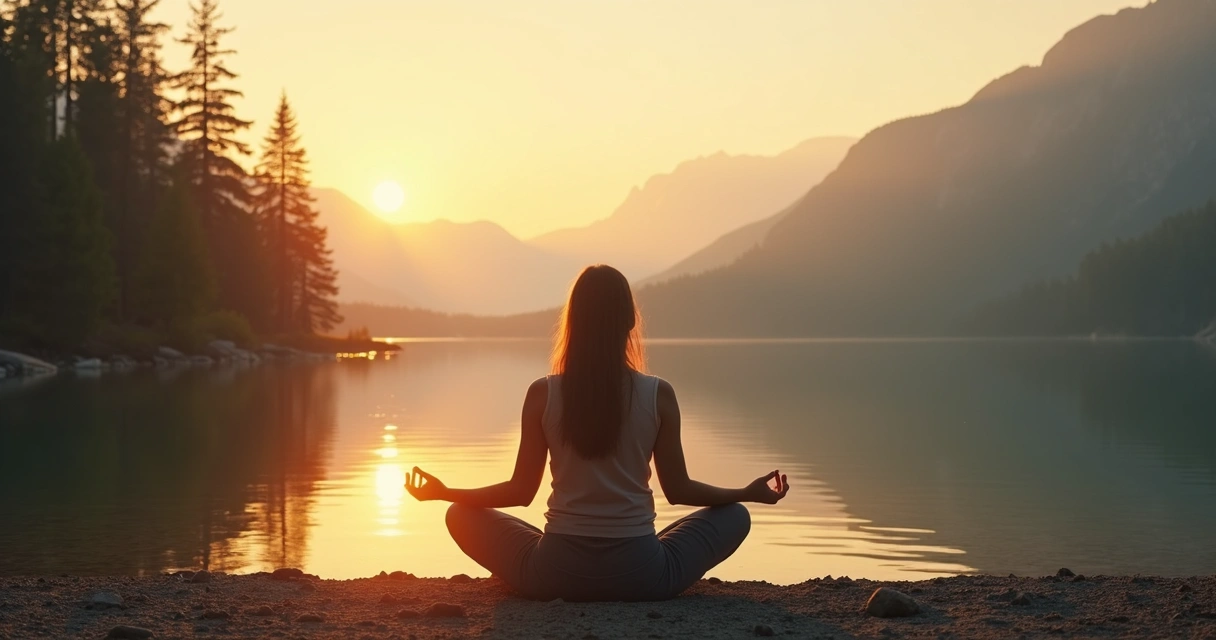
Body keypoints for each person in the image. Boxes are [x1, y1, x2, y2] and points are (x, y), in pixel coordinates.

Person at [405, 264, 790, 601]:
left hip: (553, 575)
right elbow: (679, 490)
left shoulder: (543, 393)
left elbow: (520, 492)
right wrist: (746, 493)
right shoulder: (659, 394)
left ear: (574, 321)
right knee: (736, 516)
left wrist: (444, 493)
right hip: (643, 577)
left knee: (460, 514)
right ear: (630, 321)